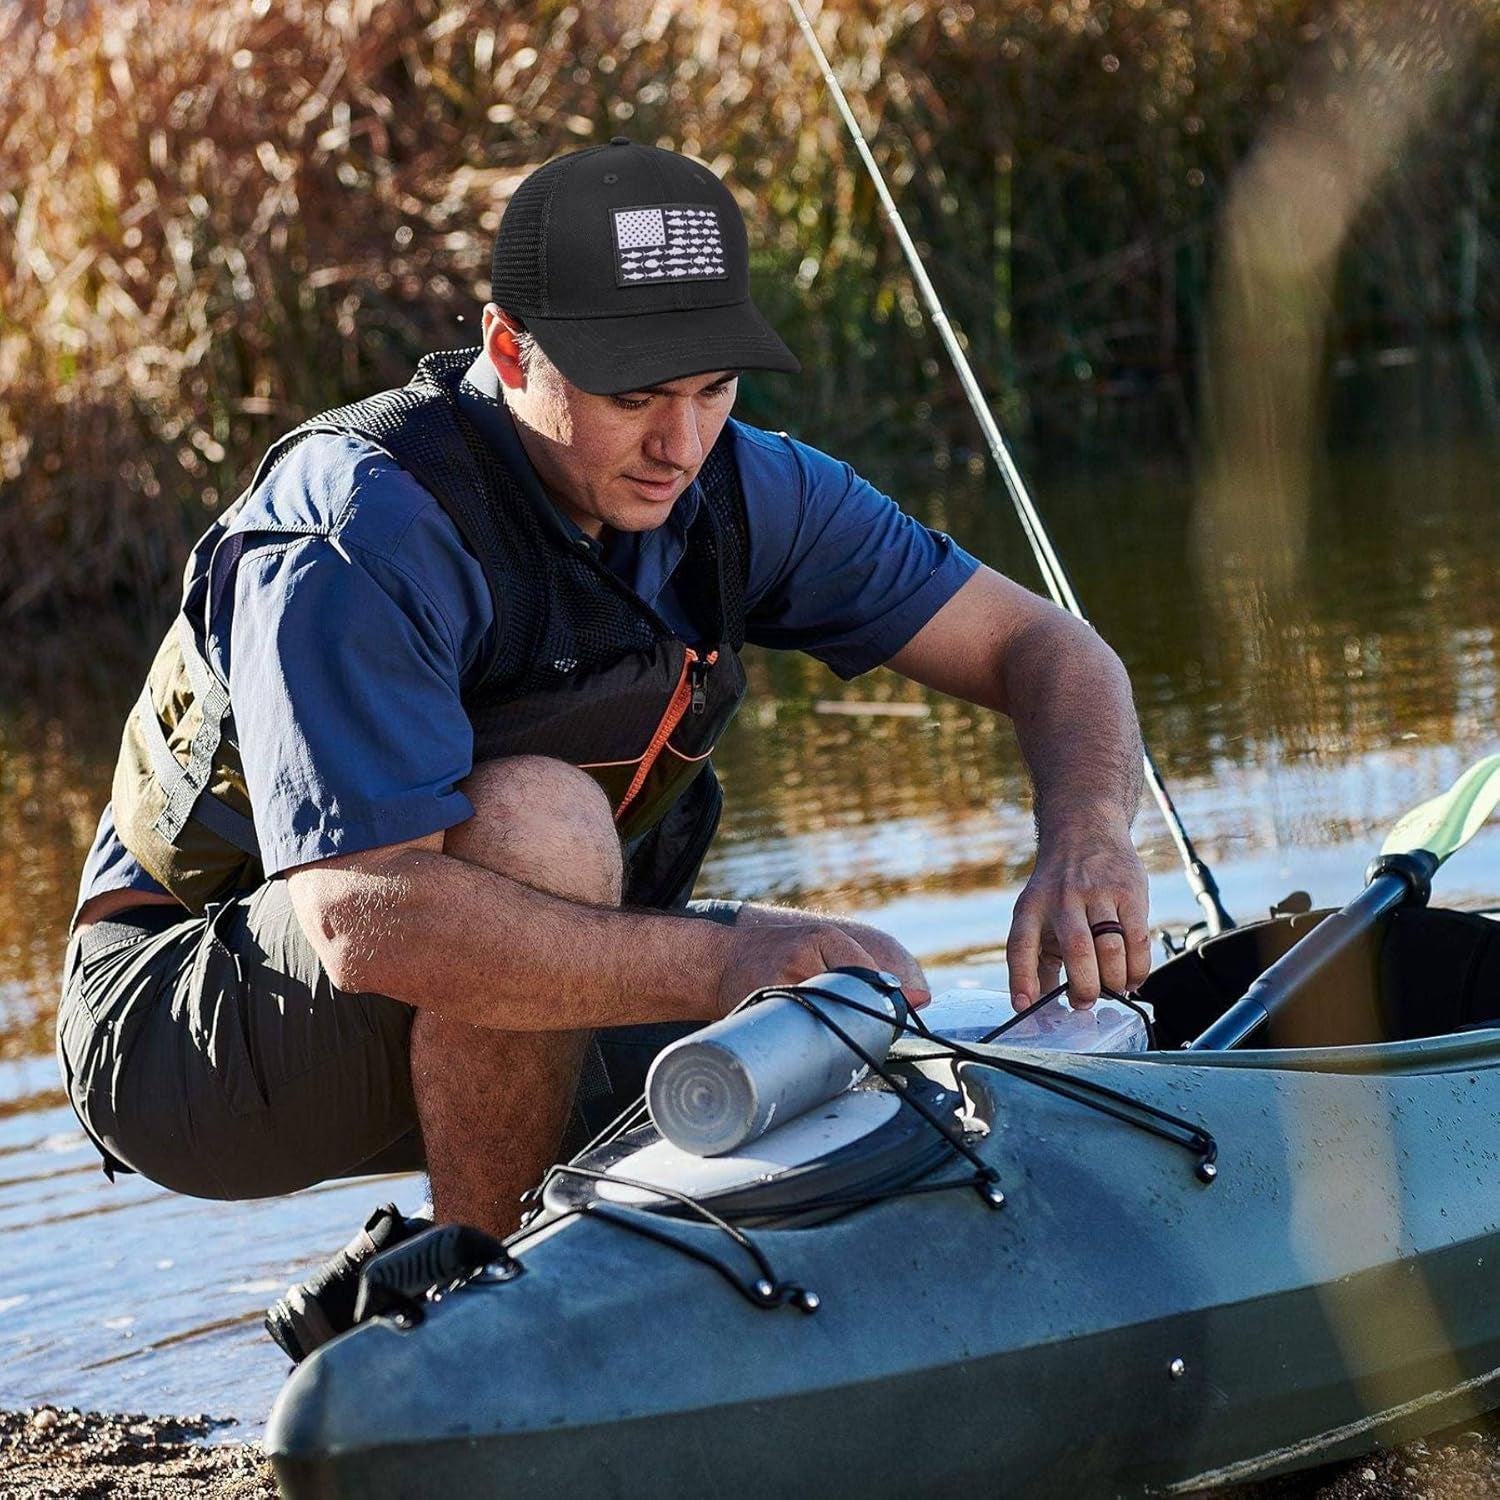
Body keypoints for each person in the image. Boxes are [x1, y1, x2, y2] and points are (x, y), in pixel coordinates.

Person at [56, 139, 1150, 1362]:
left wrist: (1086, 836)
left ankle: (403, 1298)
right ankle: (493, 1334)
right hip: (179, 1030)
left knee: (860, 1016)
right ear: (511, 349)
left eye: (714, 388)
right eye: (634, 395)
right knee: (548, 828)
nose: (681, 445)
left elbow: (1049, 650)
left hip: (459, 979)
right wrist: (724, 963)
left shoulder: (740, 490)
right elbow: (366, 919)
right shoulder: (361, 524)